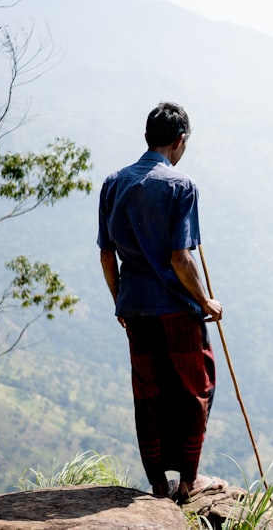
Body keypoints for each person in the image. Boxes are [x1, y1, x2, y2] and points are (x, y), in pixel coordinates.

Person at [97, 101, 227, 503]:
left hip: (135, 308)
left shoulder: (113, 182)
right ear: (180, 141)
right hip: (175, 308)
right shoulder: (181, 186)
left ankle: (157, 484)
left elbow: (106, 253)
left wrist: (121, 300)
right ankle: (187, 482)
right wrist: (206, 301)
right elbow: (180, 258)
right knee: (195, 388)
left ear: (146, 138)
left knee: (149, 392)